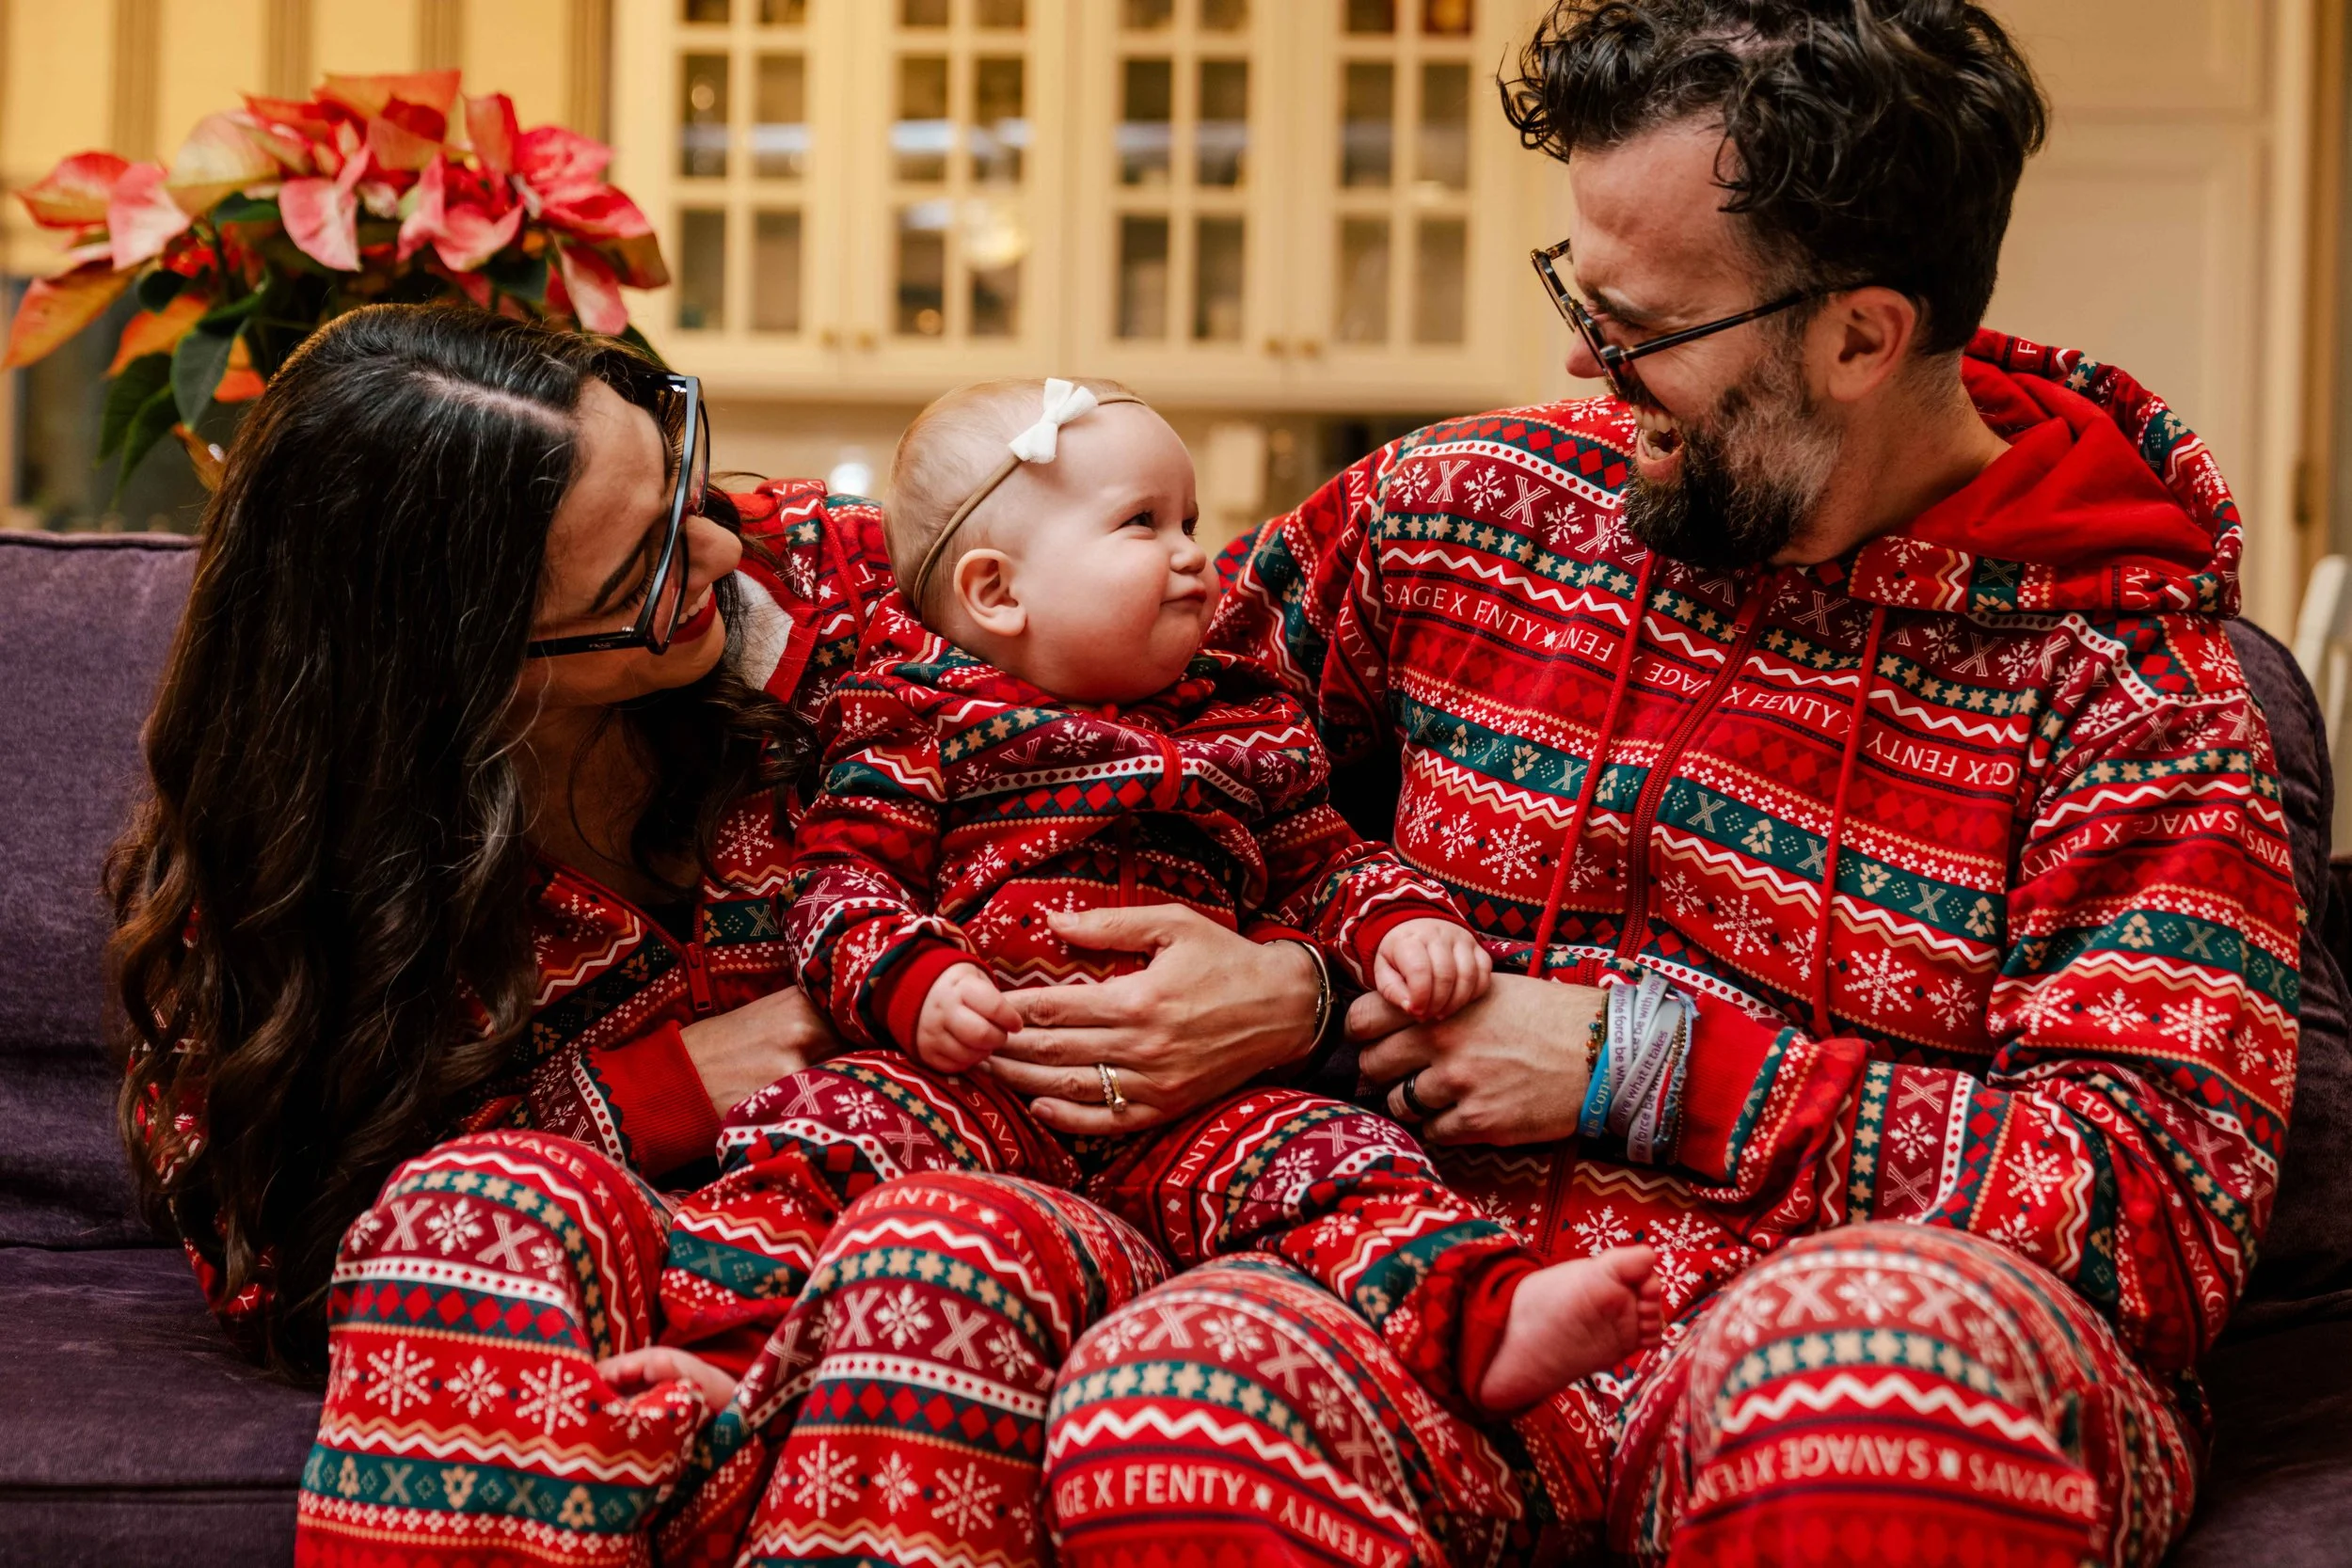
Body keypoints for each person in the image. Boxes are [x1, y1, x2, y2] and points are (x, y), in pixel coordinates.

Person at [1025, 4, 2301, 1565]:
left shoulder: (2134, 697)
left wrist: (1651, 1066)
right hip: (1457, 1307)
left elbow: (2157, 1211)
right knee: (1176, 1394)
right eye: (1579, 289)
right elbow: (1097, 755)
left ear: (1858, 337)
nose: (1579, 356)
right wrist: (1302, 983)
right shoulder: (1453, 516)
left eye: (1638, 326)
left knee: (1863, 1380)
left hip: (1879, 1340)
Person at [103, 306, 1314, 1567]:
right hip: (630, 1307)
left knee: (937, 1249)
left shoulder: (838, 577)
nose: (720, 547)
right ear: (467, 663)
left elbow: (1219, 668)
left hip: (979, 1216)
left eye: (681, 473)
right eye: (642, 574)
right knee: (475, 1199)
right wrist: (662, 1089)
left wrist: (1297, 985)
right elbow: (276, 1247)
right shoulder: (302, 867)